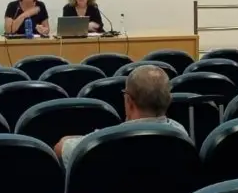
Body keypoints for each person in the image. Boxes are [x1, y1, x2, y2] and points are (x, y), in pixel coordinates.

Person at [54, 65, 186, 168]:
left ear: (128, 100)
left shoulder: (101, 142)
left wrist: (80, 138)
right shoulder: (181, 133)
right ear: (168, 100)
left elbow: (60, 148)